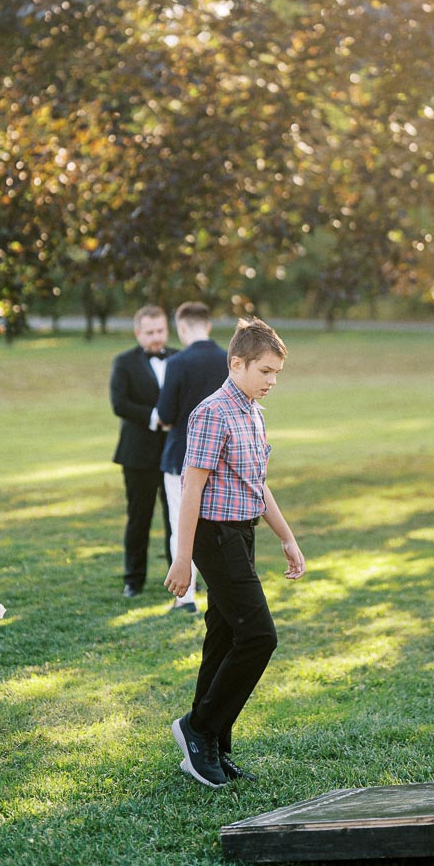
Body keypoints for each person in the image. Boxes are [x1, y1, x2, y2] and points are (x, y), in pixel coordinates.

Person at [164, 318, 306, 787]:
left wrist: (286, 537)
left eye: (276, 373)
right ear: (237, 364)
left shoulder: (253, 412)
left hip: (242, 533)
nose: (272, 381)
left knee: (224, 637)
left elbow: (257, 484)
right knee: (260, 636)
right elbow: (191, 489)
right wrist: (182, 557)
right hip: (214, 536)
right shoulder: (212, 413)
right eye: (265, 371)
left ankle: (213, 745)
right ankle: (198, 727)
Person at [157, 301, 229, 613]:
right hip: (223, 456)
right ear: (208, 325)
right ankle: (222, 590)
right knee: (220, 524)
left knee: (180, 523)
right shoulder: (229, 359)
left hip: (181, 455)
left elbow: (165, 413)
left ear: (182, 327)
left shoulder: (177, 363)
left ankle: (185, 598)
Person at [109, 305, 176, 597]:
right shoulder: (124, 362)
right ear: (138, 333)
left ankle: (181, 577)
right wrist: (155, 417)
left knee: (178, 518)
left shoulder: (180, 358)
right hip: (137, 455)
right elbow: (119, 404)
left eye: (160, 330)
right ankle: (133, 580)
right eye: (150, 332)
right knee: (139, 519)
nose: (156, 337)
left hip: (175, 452)